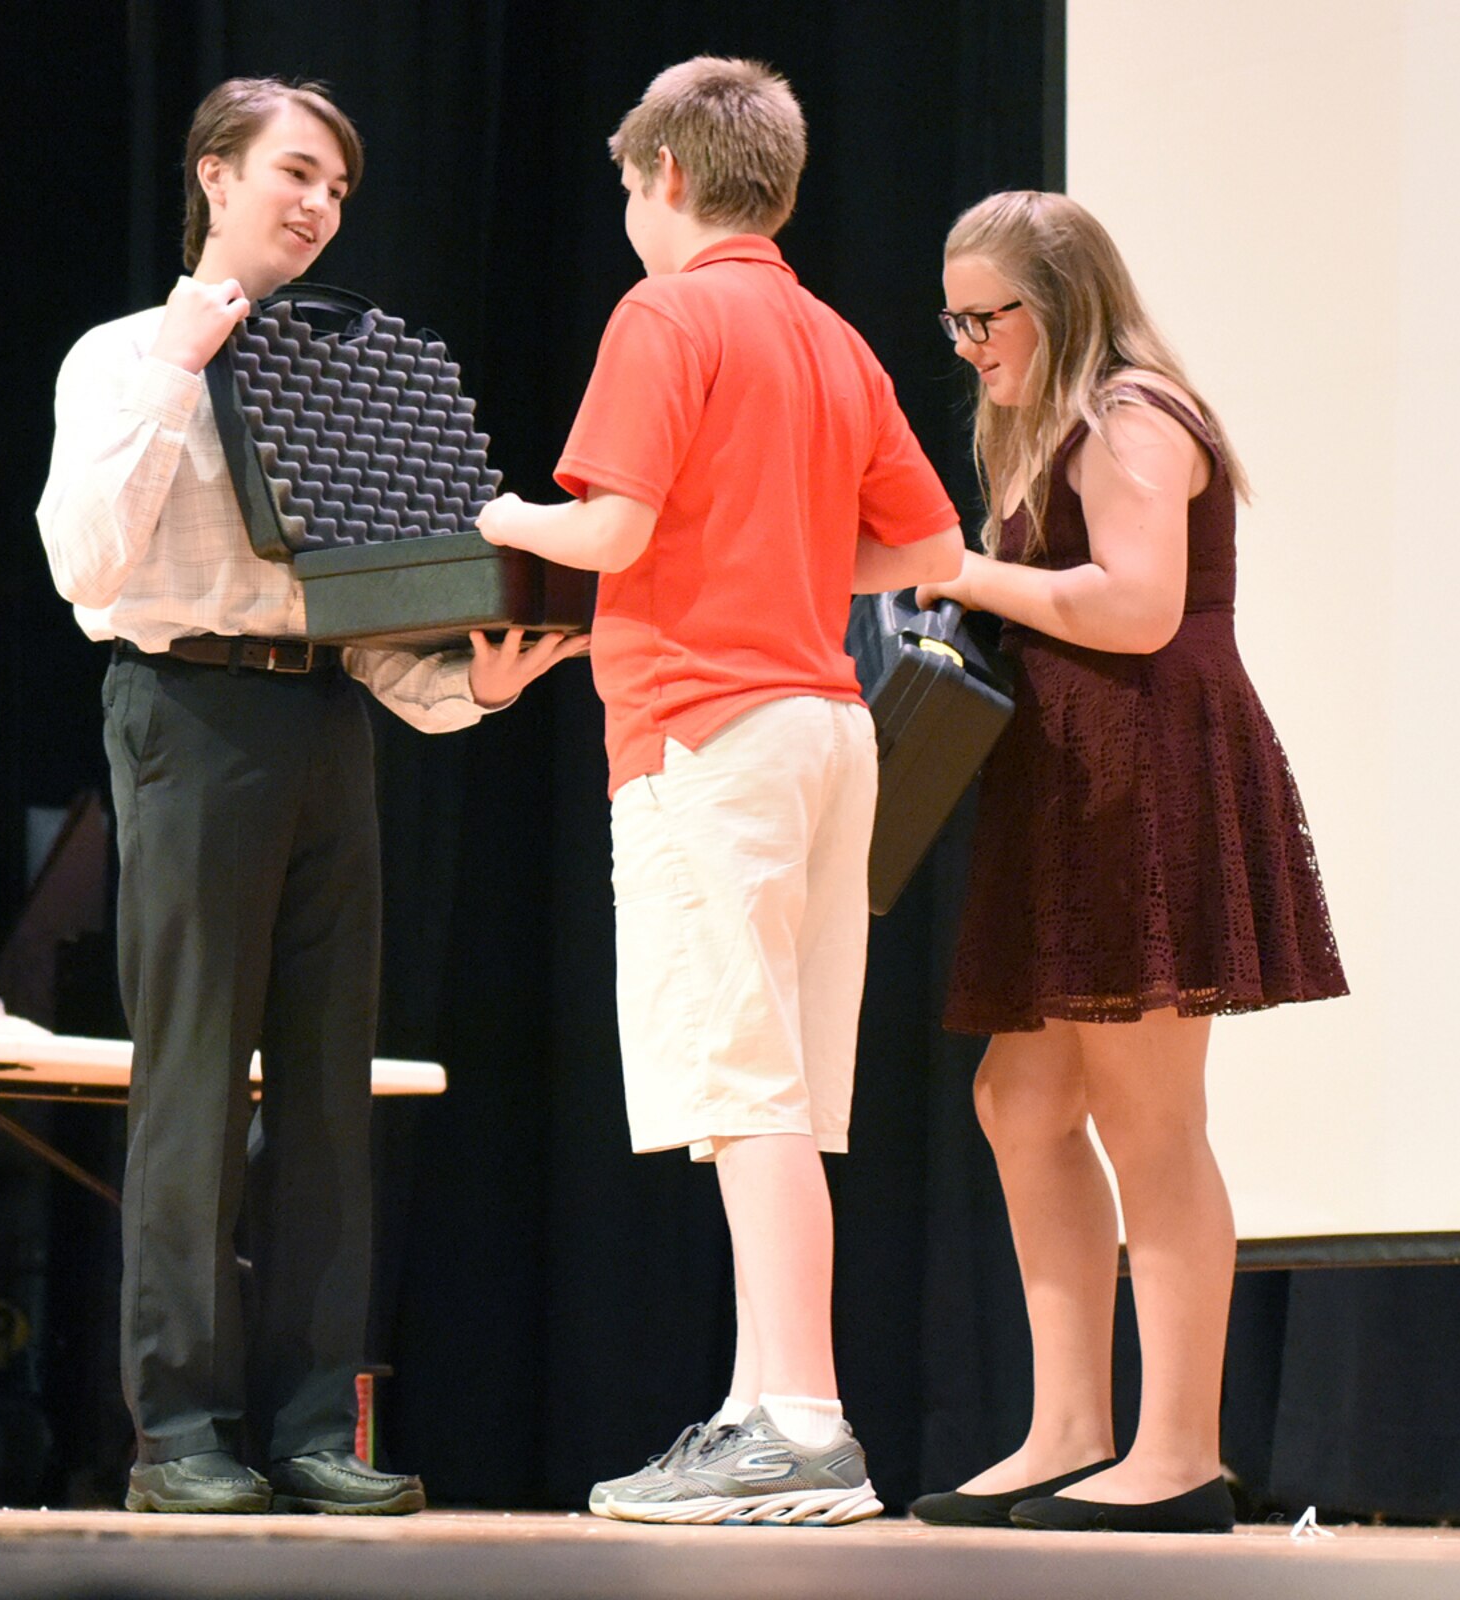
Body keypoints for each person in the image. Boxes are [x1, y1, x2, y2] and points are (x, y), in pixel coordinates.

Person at [37, 76, 584, 1516]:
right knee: (199, 1083)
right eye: (293, 172)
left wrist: (477, 687)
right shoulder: (118, 357)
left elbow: (358, 608)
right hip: (189, 710)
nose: (317, 205)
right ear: (215, 174)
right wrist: (181, 359)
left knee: (332, 1094)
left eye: (338, 188)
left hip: (328, 717)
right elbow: (88, 566)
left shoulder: (346, 367)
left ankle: (311, 1422)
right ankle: (178, 1431)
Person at [477, 57, 962, 1527]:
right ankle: (766, 1403)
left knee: (744, 1081)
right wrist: (793, 563)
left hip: (710, 729)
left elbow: (611, 529)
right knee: (790, 1093)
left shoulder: (667, 311)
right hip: (828, 728)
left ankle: (804, 1423)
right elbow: (927, 552)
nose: (626, 209)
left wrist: (494, 516)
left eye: (629, 183)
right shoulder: (829, 333)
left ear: (668, 177)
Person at [907, 191, 1347, 1534]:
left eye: (992, 318)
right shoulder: (1046, 423)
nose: (973, 345)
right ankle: (1069, 1430)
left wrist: (964, 576)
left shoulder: (1130, 415)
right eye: (958, 321)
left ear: (1066, 301)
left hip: (1146, 778)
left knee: (1150, 1114)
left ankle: (1178, 1456)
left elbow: (1139, 604)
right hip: (1075, 781)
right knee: (1021, 1102)